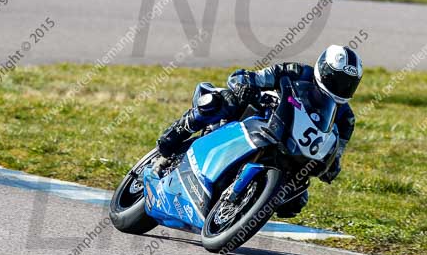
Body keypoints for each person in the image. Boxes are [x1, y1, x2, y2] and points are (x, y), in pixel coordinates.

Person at [154, 45, 362, 217]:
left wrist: (332, 165)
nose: (340, 87)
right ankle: (169, 143)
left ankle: (243, 206)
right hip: (263, 117)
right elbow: (255, 77)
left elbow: (337, 148)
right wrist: (245, 84)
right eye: (336, 79)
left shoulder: (346, 118)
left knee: (296, 201)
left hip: (292, 149)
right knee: (219, 102)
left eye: (348, 84)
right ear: (323, 70)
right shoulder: (297, 71)